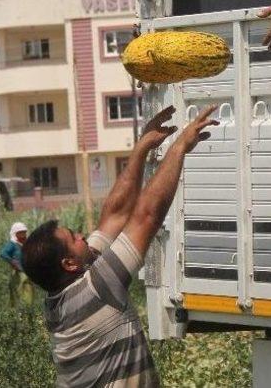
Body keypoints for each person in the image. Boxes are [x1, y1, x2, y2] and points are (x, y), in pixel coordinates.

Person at [22, 104, 218, 388]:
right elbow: (146, 216)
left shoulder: (60, 299)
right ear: (69, 264)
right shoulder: (97, 288)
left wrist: (141, 150)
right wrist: (179, 148)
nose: (82, 236)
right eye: (73, 237)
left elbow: (114, 215)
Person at [0, 221, 34, 307]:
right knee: (21, 289)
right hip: (18, 272)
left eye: (24, 232)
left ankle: (27, 308)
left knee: (28, 289)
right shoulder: (12, 244)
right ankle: (23, 308)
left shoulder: (25, 243)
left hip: (26, 270)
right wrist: (12, 261)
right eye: (20, 233)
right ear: (15, 234)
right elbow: (3, 253)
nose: (23, 235)